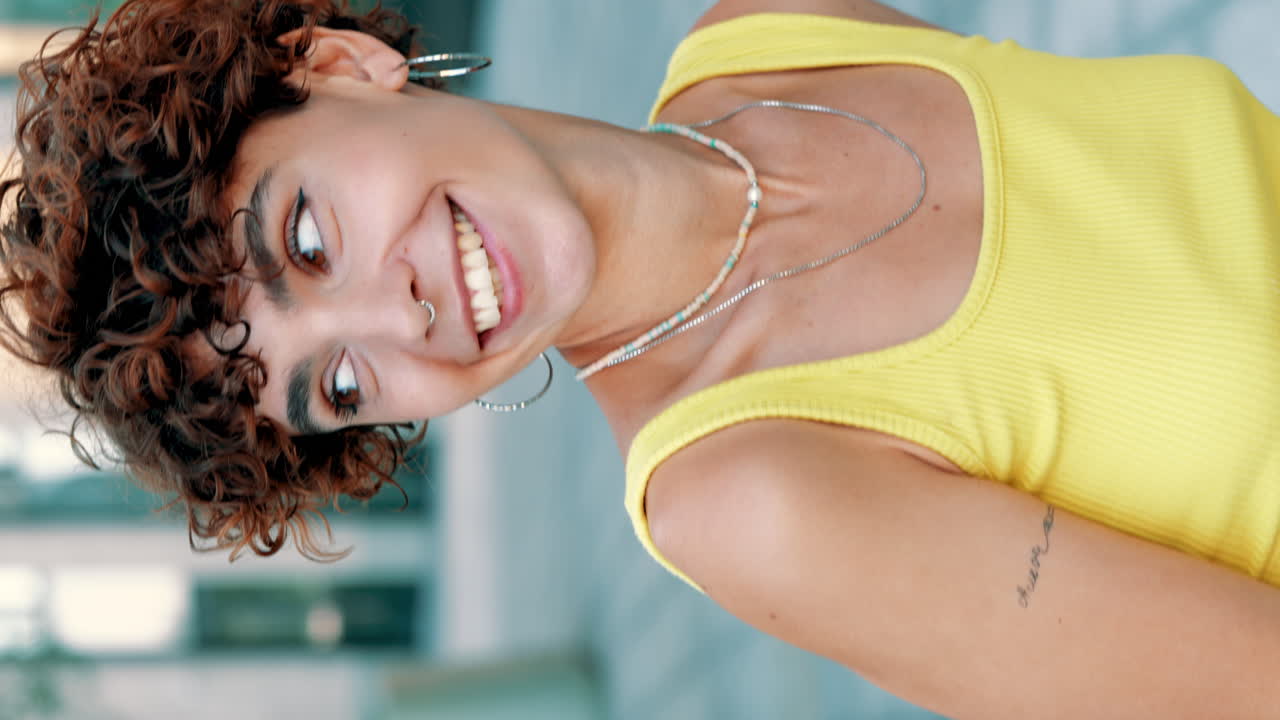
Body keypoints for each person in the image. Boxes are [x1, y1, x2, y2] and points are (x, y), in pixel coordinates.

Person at [3, 0, 1279, 716]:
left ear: (339, 67)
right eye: (336, 386)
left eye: (308, 236)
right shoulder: (751, 496)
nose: (400, 323)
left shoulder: (766, 36)